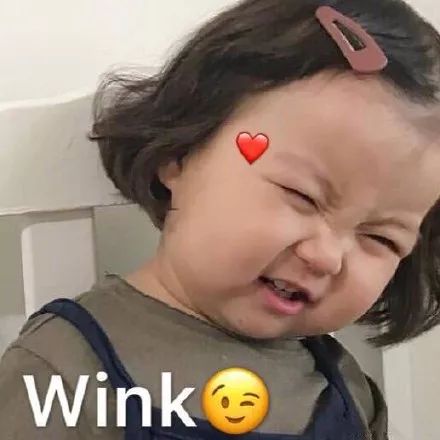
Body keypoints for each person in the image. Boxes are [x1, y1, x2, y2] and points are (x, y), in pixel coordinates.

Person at [1, 0, 440, 439]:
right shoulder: (61, 372)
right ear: (180, 152)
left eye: (381, 239)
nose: (327, 257)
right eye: (302, 196)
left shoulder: (346, 390)